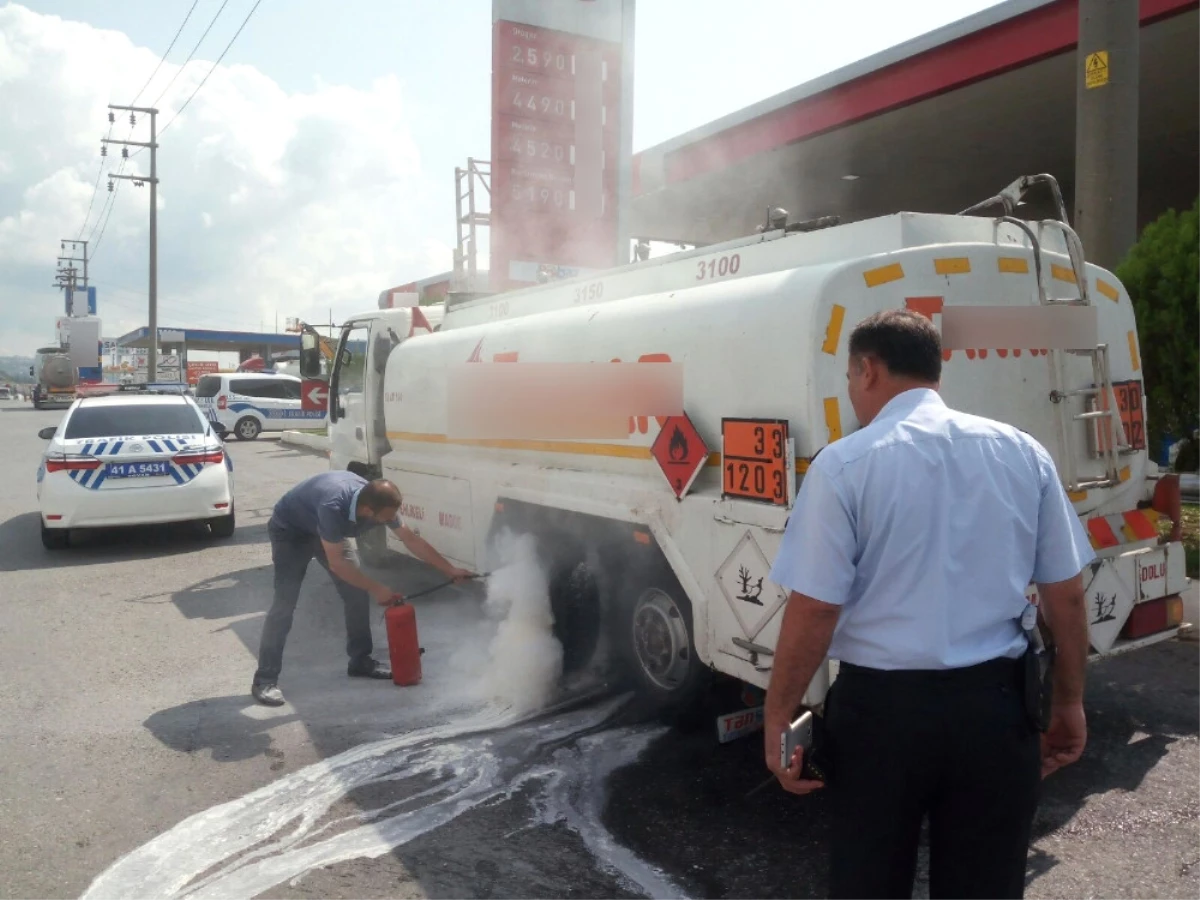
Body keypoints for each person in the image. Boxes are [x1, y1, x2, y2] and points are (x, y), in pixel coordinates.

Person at [763, 309, 1094, 899]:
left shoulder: (845, 465)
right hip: (996, 713)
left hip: (879, 721)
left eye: (848, 379)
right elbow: (1065, 595)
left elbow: (815, 610)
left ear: (868, 371)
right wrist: (1068, 700)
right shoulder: (1021, 452)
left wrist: (777, 717)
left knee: (868, 883)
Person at [252, 472, 472, 707]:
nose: (388, 521)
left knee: (355, 593)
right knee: (284, 605)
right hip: (291, 533)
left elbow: (410, 539)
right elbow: (338, 564)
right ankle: (265, 679)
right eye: (385, 518)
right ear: (367, 510)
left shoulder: (378, 501)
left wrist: (449, 569)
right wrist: (377, 588)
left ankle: (360, 661)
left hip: (326, 532)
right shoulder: (333, 506)